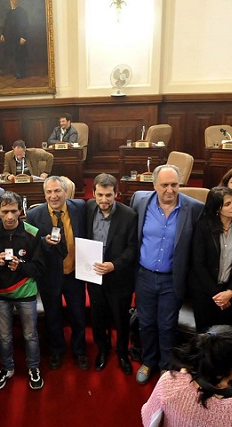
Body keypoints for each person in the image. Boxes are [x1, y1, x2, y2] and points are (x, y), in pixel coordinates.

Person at [131, 164, 203, 384]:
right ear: (154, 185)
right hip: (144, 276)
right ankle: (149, 361)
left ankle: (165, 366)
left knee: (167, 324)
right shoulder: (139, 201)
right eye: (165, 185)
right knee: (145, 322)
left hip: (172, 279)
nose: (170, 190)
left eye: (175, 184)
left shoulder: (194, 208)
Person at [26, 176, 89, 371]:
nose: (53, 196)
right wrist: (44, 242)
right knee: (53, 315)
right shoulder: (34, 215)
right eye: (49, 192)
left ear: (66, 192)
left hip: (73, 273)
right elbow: (30, 246)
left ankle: (79, 351)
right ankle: (56, 350)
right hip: (49, 277)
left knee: (78, 314)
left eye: (57, 191)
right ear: (44, 194)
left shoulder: (80, 207)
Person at [0, 191, 46, 390]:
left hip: (26, 293)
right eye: (5, 211)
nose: (10, 216)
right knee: (3, 336)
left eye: (14, 211)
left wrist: (20, 265)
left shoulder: (33, 233)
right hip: (0, 294)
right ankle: (7, 367)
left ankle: (34, 368)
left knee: (30, 335)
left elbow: (39, 269)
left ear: (21, 211)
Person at [86, 174, 138, 374]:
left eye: (108, 195)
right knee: (98, 317)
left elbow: (132, 249)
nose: (104, 200)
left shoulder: (129, 215)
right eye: (100, 195)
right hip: (94, 276)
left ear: (116, 194)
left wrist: (114, 265)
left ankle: (123, 352)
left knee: (121, 319)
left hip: (119, 278)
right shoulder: (89, 207)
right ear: (94, 194)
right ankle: (102, 349)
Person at [190, 186, 232, 331]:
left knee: (231, 338)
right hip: (206, 293)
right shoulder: (203, 226)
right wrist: (216, 295)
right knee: (206, 339)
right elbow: (198, 264)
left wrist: (231, 292)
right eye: (228, 204)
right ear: (217, 208)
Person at [0, 0, 27, 79]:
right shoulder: (8, 12)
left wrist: (23, 37)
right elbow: (5, 24)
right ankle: (13, 71)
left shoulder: (22, 12)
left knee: (19, 56)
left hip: (18, 38)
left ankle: (20, 73)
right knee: (10, 54)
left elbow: (25, 25)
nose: (13, 2)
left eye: (14, 0)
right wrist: (2, 34)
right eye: (11, 0)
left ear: (18, 0)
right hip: (9, 37)